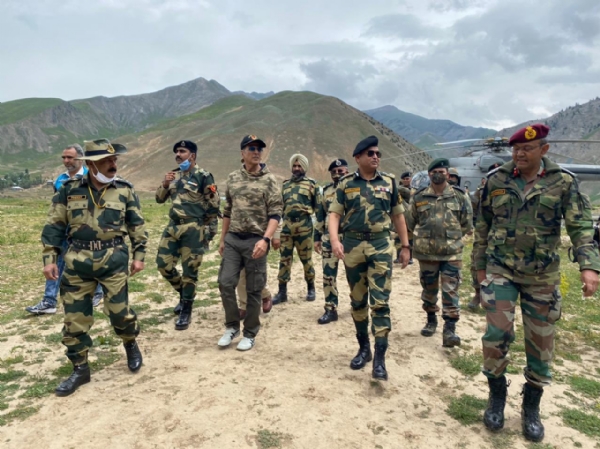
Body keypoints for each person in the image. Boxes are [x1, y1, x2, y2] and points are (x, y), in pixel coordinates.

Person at [473, 124, 600, 442]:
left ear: (544, 149)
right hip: (501, 270)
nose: (519, 154)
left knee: (541, 343)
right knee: (496, 334)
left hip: (542, 275)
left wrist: (589, 267)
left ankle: (531, 406)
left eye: (527, 149)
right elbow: (482, 226)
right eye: (516, 149)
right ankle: (496, 396)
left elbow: (581, 226)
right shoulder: (496, 180)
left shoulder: (563, 182)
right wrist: (479, 268)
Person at [41, 139, 147, 397]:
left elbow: (136, 225)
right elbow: (54, 225)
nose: (113, 164)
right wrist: (50, 259)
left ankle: (130, 343)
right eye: (106, 161)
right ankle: (80, 368)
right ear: (90, 164)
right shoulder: (69, 190)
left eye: (114, 159)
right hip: (78, 260)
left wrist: (139, 255)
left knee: (120, 313)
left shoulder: (124, 190)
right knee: (74, 319)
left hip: (114, 259)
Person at [329, 135, 410, 380]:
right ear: (358, 158)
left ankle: (380, 359)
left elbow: (398, 216)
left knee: (381, 303)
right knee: (357, 301)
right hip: (353, 247)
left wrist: (405, 246)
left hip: (381, 245)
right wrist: (335, 241)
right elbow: (334, 215)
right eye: (370, 153)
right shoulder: (345, 184)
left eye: (377, 154)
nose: (375, 157)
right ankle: (364, 349)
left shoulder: (389, 182)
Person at [217, 135, 283, 351]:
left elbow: (275, 213)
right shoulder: (233, 178)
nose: (256, 152)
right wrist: (222, 238)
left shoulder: (269, 180)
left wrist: (266, 239)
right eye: (252, 148)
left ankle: (250, 333)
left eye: (259, 149)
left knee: (254, 289)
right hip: (233, 239)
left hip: (256, 240)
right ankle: (231, 326)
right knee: (226, 282)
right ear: (242, 153)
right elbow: (228, 210)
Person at [26, 144, 104, 315]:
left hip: (86, 229)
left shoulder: (92, 177)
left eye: (70, 157)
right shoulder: (60, 180)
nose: (66, 161)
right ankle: (49, 301)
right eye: (64, 157)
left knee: (93, 260)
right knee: (56, 261)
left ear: (80, 159)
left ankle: (98, 292)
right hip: (63, 228)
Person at [407, 159, 473, 347]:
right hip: (427, 253)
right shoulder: (419, 197)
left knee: (451, 290)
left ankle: (450, 329)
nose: (438, 174)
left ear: (447, 174)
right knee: (429, 289)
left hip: (451, 253)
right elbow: (410, 222)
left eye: (442, 172)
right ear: (429, 174)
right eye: (434, 171)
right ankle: (431, 320)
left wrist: (451, 236)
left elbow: (466, 222)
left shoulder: (459, 196)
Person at [155, 140, 220, 331]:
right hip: (173, 227)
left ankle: (186, 310)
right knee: (163, 265)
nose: (178, 154)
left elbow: (214, 205)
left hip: (193, 228)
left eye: (182, 151)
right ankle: (185, 295)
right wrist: (165, 184)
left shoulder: (203, 176)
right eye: (176, 151)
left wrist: (205, 229)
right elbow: (159, 199)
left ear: (193, 155)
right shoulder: (173, 175)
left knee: (190, 271)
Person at [272, 154, 318, 304]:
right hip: (287, 227)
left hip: (304, 227)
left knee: (306, 259)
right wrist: (276, 232)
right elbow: (280, 208)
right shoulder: (285, 185)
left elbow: (318, 208)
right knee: (284, 259)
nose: (297, 168)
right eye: (294, 166)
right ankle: (282, 292)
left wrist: (319, 231)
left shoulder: (311, 184)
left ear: (304, 167)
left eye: (299, 166)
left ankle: (311, 288)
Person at [314, 158, 349, 324]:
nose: (337, 174)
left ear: (347, 171)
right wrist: (316, 237)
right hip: (329, 238)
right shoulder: (326, 191)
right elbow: (320, 215)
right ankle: (330, 308)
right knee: (328, 275)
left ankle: (358, 306)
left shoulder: (354, 189)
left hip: (350, 239)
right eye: (334, 172)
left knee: (355, 275)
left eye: (340, 171)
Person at [468, 167, 500, 310]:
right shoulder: (482, 191)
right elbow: (473, 207)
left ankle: (494, 297)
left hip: (501, 236)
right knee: (476, 262)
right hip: (483, 231)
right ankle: (477, 293)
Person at [395, 171, 414, 265]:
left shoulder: (414, 190)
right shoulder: (398, 189)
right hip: (401, 215)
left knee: (410, 238)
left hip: (411, 216)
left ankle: (410, 257)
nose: (407, 180)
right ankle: (399, 257)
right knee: (398, 237)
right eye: (405, 179)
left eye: (408, 178)